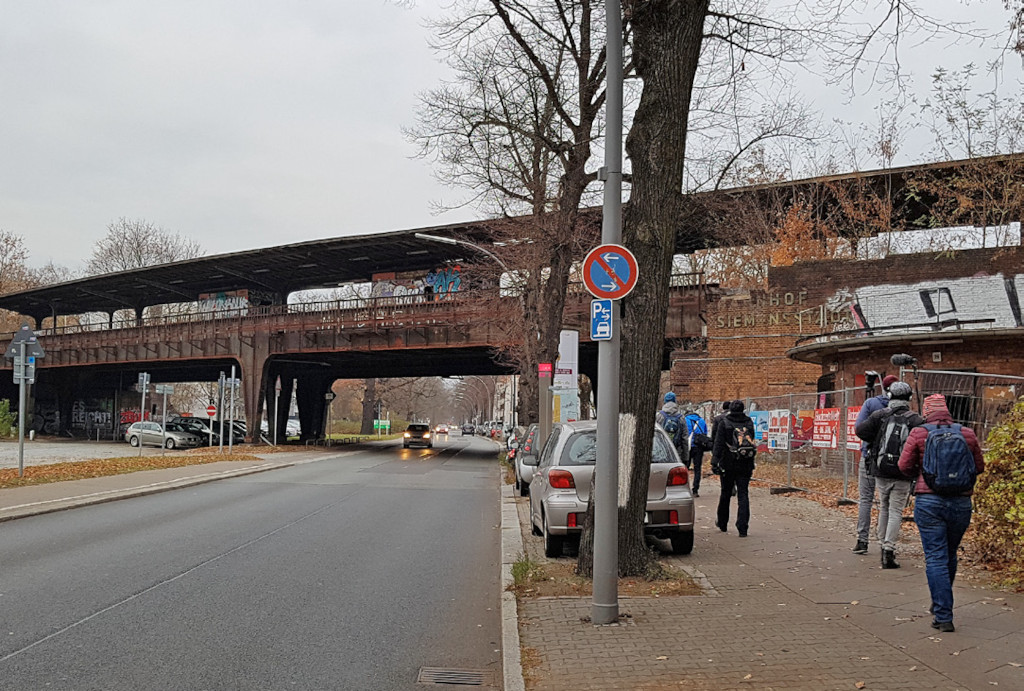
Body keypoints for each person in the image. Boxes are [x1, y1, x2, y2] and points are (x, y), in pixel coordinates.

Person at [898, 394, 984, 634]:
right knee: (950, 553)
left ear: (926, 412)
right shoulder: (967, 433)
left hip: (929, 501)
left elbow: (903, 466)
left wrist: (922, 473)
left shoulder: (919, 433)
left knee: (935, 556)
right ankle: (940, 602)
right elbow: (979, 466)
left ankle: (943, 614)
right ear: (947, 411)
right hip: (961, 502)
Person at [854, 382, 923, 569]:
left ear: (890, 397)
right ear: (909, 398)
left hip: (881, 470)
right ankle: (888, 550)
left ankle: (882, 541)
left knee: (884, 506)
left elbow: (860, 431)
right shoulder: (915, 420)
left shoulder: (880, 415)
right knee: (895, 511)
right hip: (903, 471)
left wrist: (876, 440)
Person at [851, 374, 899, 555]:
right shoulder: (903, 409)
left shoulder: (871, 404)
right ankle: (885, 543)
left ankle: (862, 540)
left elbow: (859, 428)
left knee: (866, 499)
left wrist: (872, 441)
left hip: (869, 456)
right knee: (887, 502)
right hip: (891, 460)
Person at [712, 400, 757, 537]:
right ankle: (743, 527)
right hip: (745, 463)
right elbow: (752, 439)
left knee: (725, 493)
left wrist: (715, 462)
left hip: (728, 463)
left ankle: (722, 522)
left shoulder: (724, 422)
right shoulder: (748, 422)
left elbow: (718, 443)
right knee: (743, 494)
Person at [684, 408, 710, 497]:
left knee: (685, 468)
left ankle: (684, 489)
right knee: (697, 468)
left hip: (688, 447)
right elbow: (705, 433)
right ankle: (695, 490)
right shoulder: (701, 421)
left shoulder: (685, 420)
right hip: (699, 447)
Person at [656, 392, 688, 462]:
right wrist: (686, 457)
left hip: (661, 453)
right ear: (675, 401)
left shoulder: (659, 416)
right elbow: (684, 438)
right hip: (677, 453)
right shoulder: (681, 418)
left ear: (665, 401)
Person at [709, 401, 732, 475]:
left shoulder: (718, 418)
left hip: (721, 446)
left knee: (723, 465)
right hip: (733, 445)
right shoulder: (736, 418)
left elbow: (714, 434)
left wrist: (714, 446)